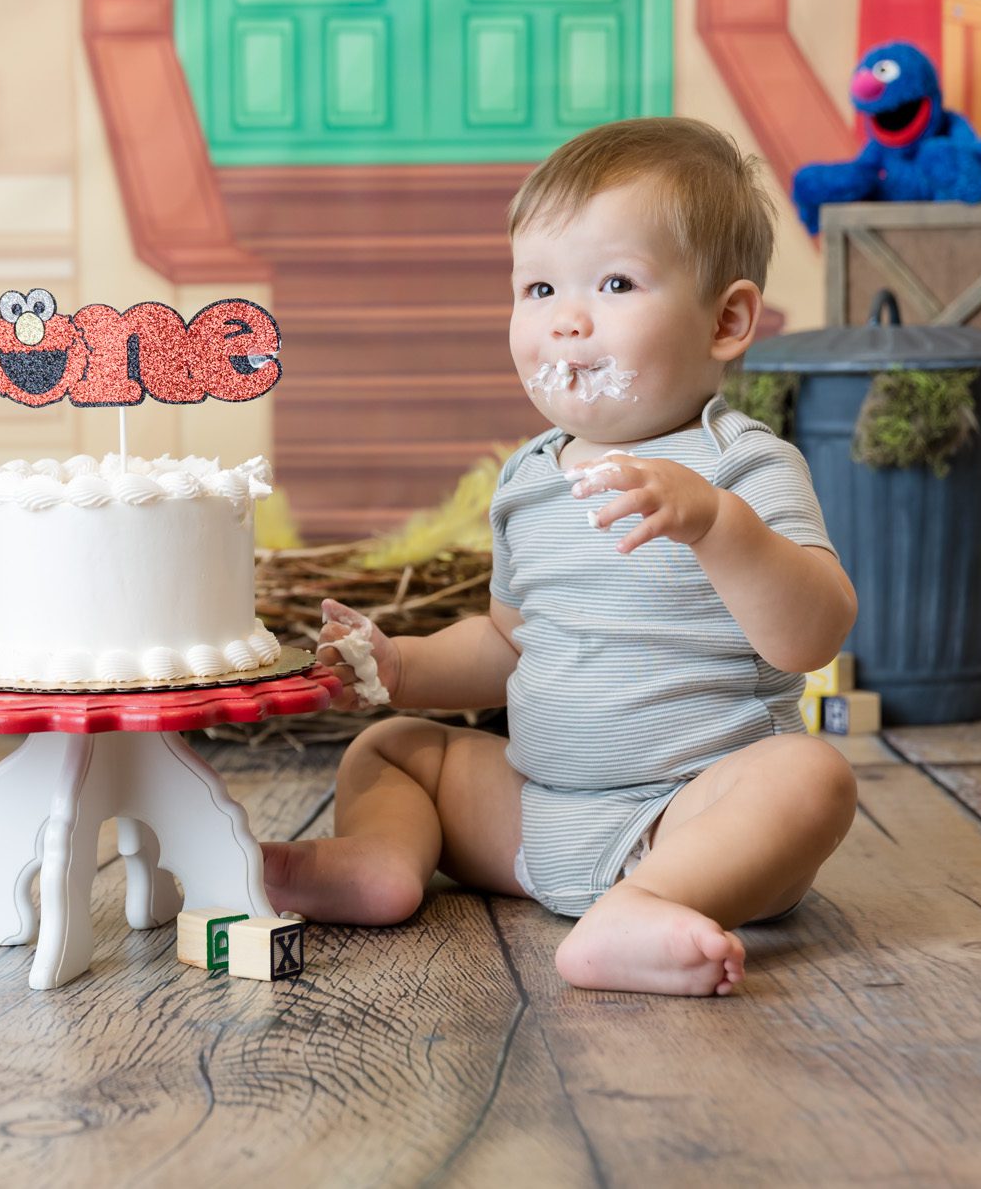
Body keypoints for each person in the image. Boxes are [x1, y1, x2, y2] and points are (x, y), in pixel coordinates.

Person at [262, 117, 861, 996]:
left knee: (812, 776)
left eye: (615, 283)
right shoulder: (529, 478)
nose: (566, 320)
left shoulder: (741, 464)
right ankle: (380, 863)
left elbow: (813, 632)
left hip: (688, 817)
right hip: (534, 813)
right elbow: (510, 645)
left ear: (726, 319)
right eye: (538, 287)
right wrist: (403, 664)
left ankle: (646, 905)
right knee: (394, 750)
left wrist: (716, 524)